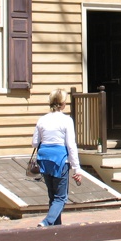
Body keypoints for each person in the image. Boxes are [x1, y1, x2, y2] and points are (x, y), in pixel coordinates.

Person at [32, 88, 82, 227]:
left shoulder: (42, 119)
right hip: (60, 160)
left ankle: (56, 229)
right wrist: (77, 169)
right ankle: (47, 222)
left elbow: (34, 142)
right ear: (63, 103)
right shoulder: (66, 120)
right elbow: (71, 145)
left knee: (52, 197)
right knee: (61, 198)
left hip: (44, 159)